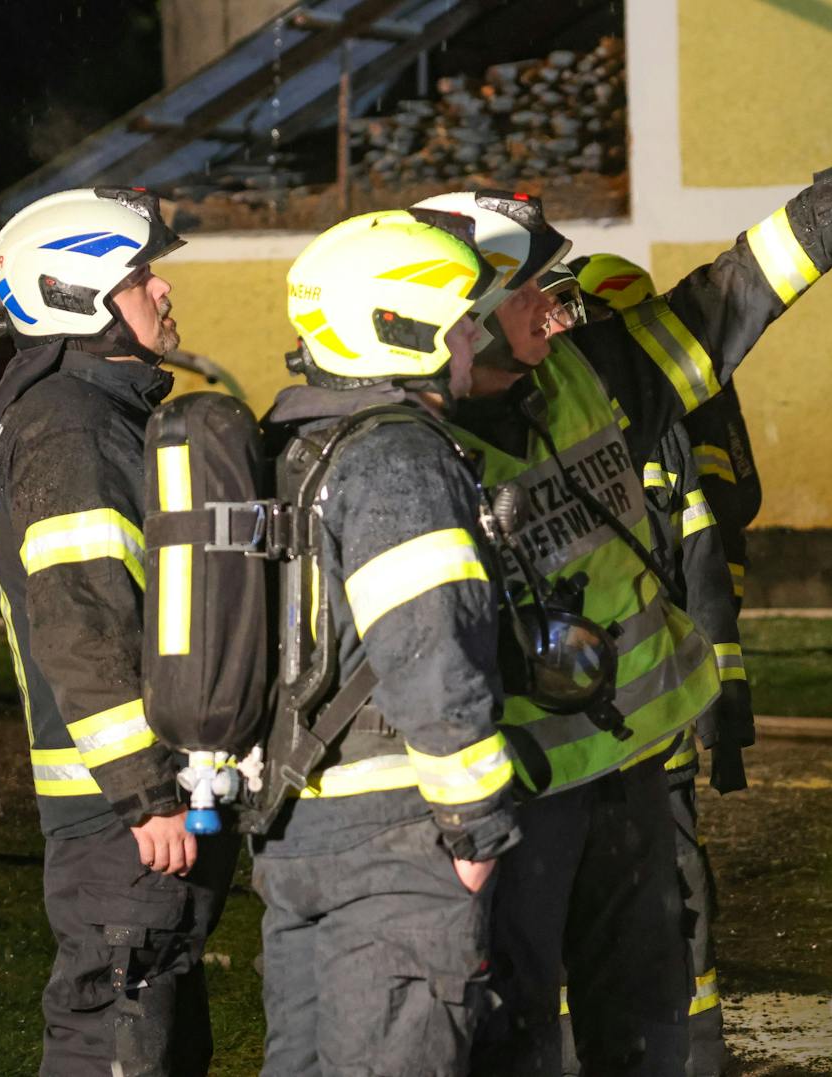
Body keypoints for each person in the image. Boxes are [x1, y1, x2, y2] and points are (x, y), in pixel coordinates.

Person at [422, 115, 832, 1076]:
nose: (552, 302)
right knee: (520, 1025)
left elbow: (720, 303)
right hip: (522, 796)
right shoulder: (405, 452)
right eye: (527, 285)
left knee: (649, 1016)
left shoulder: (592, 373)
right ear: (465, 309)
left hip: (631, 774)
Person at [252, 210, 519, 1075]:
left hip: (297, 830)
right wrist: (475, 835)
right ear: (402, 330)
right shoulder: (399, 457)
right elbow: (430, 653)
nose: (476, 335)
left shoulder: (293, 445)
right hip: (397, 845)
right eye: (462, 319)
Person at [0, 187, 237, 1076]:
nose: (163, 290)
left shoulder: (103, 414)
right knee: (116, 1041)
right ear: (82, 296)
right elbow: (81, 621)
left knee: (156, 1036)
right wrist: (146, 791)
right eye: (140, 276)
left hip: (130, 811)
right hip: (119, 818)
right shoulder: (70, 427)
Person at [546, 262, 752, 1077]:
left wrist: (721, 711)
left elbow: (704, 567)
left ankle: (695, 1046)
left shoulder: (655, 427)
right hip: (571, 741)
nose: (559, 322)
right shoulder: (526, 421)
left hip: (648, 726)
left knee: (671, 889)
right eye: (552, 308)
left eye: (571, 309)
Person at [572, 253, 763, 613]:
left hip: (706, 556)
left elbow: (733, 494)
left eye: (593, 315)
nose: (580, 331)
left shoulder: (679, 380)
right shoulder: (599, 384)